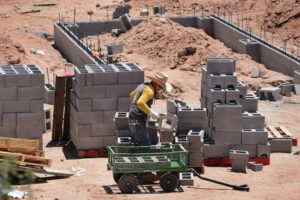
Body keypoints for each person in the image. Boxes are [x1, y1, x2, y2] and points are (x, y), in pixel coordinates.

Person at [129, 72, 172, 146]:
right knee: (144, 142)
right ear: (155, 83)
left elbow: (132, 95)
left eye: (162, 88)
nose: (160, 90)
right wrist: (151, 113)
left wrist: (135, 107)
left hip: (134, 114)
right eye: (160, 87)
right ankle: (144, 155)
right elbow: (140, 103)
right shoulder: (150, 91)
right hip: (137, 116)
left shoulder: (143, 85)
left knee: (141, 138)